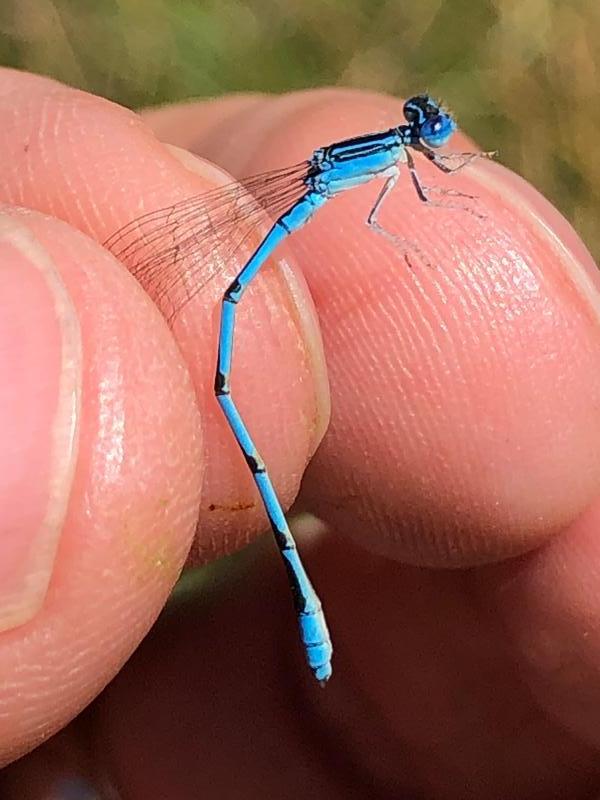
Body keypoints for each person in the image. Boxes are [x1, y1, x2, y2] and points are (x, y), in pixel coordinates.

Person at [1, 69, 600, 798]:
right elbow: (386, 219)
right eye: (429, 130)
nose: (433, 135)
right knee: (223, 379)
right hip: (234, 283)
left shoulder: (395, 156)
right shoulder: (391, 161)